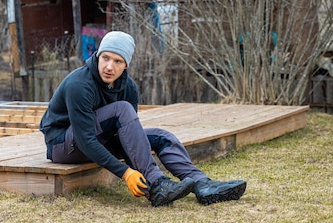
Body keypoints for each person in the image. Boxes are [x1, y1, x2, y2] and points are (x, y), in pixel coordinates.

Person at [39, 30, 247, 206]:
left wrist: (134, 165)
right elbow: (85, 139)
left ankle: (203, 184)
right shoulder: (80, 84)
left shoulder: (128, 88)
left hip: (98, 140)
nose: (109, 66)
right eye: (105, 58)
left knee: (160, 136)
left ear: (126, 65)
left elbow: (130, 137)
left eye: (117, 61)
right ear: (97, 56)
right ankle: (157, 185)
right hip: (64, 146)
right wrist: (126, 173)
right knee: (122, 109)